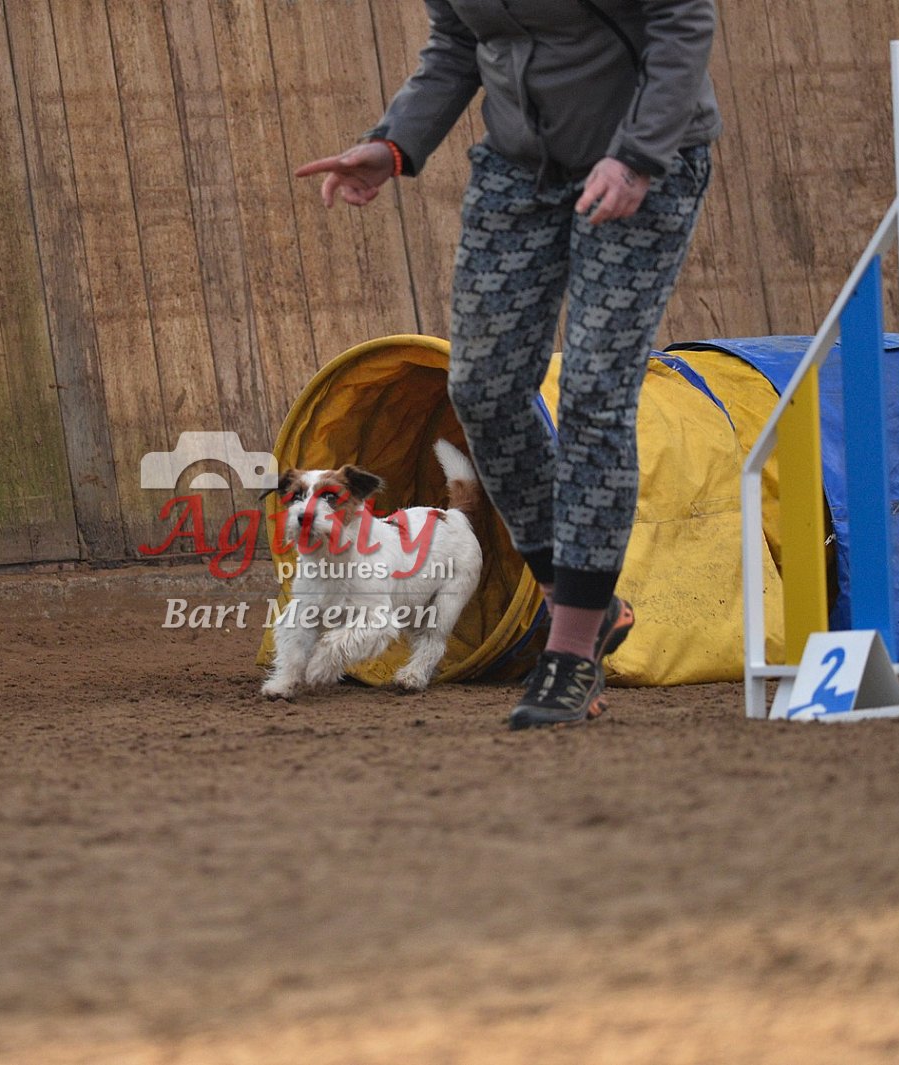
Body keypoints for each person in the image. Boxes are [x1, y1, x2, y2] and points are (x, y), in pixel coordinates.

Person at [295, 0, 721, 728]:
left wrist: (639, 154)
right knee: (483, 391)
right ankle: (583, 600)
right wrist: (394, 143)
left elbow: (683, 19)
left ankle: (571, 649)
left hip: (645, 160)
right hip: (519, 171)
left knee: (594, 392)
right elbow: (459, 41)